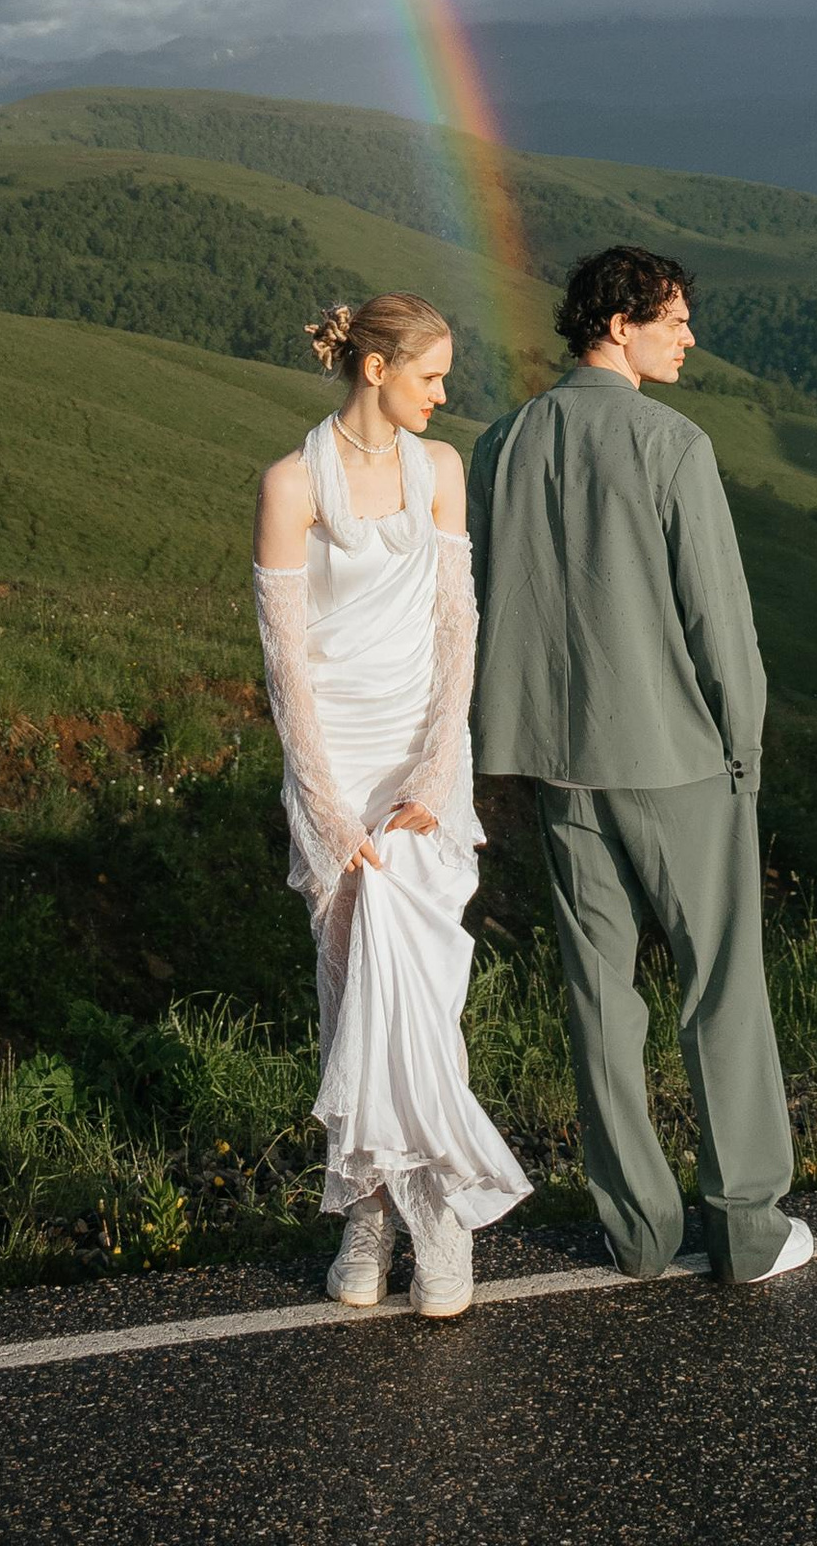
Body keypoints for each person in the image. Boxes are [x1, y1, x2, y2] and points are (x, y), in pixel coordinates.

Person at [468, 244, 813, 1288]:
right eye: (672, 318)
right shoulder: (674, 443)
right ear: (617, 322)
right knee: (721, 984)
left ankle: (637, 1233)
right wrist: (742, 747)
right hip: (675, 757)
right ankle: (747, 1226)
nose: (688, 335)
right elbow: (720, 620)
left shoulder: (499, 442)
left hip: (555, 764)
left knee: (598, 996)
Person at [252, 291, 528, 1320]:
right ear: (375, 369)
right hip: (333, 765)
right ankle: (366, 1221)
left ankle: (440, 1225)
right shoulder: (291, 483)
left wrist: (431, 770)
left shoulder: (441, 471)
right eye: (430, 376)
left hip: (421, 762)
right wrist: (326, 807)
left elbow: (459, 624)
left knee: (421, 991)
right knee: (348, 1000)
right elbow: (286, 664)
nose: (444, 395)